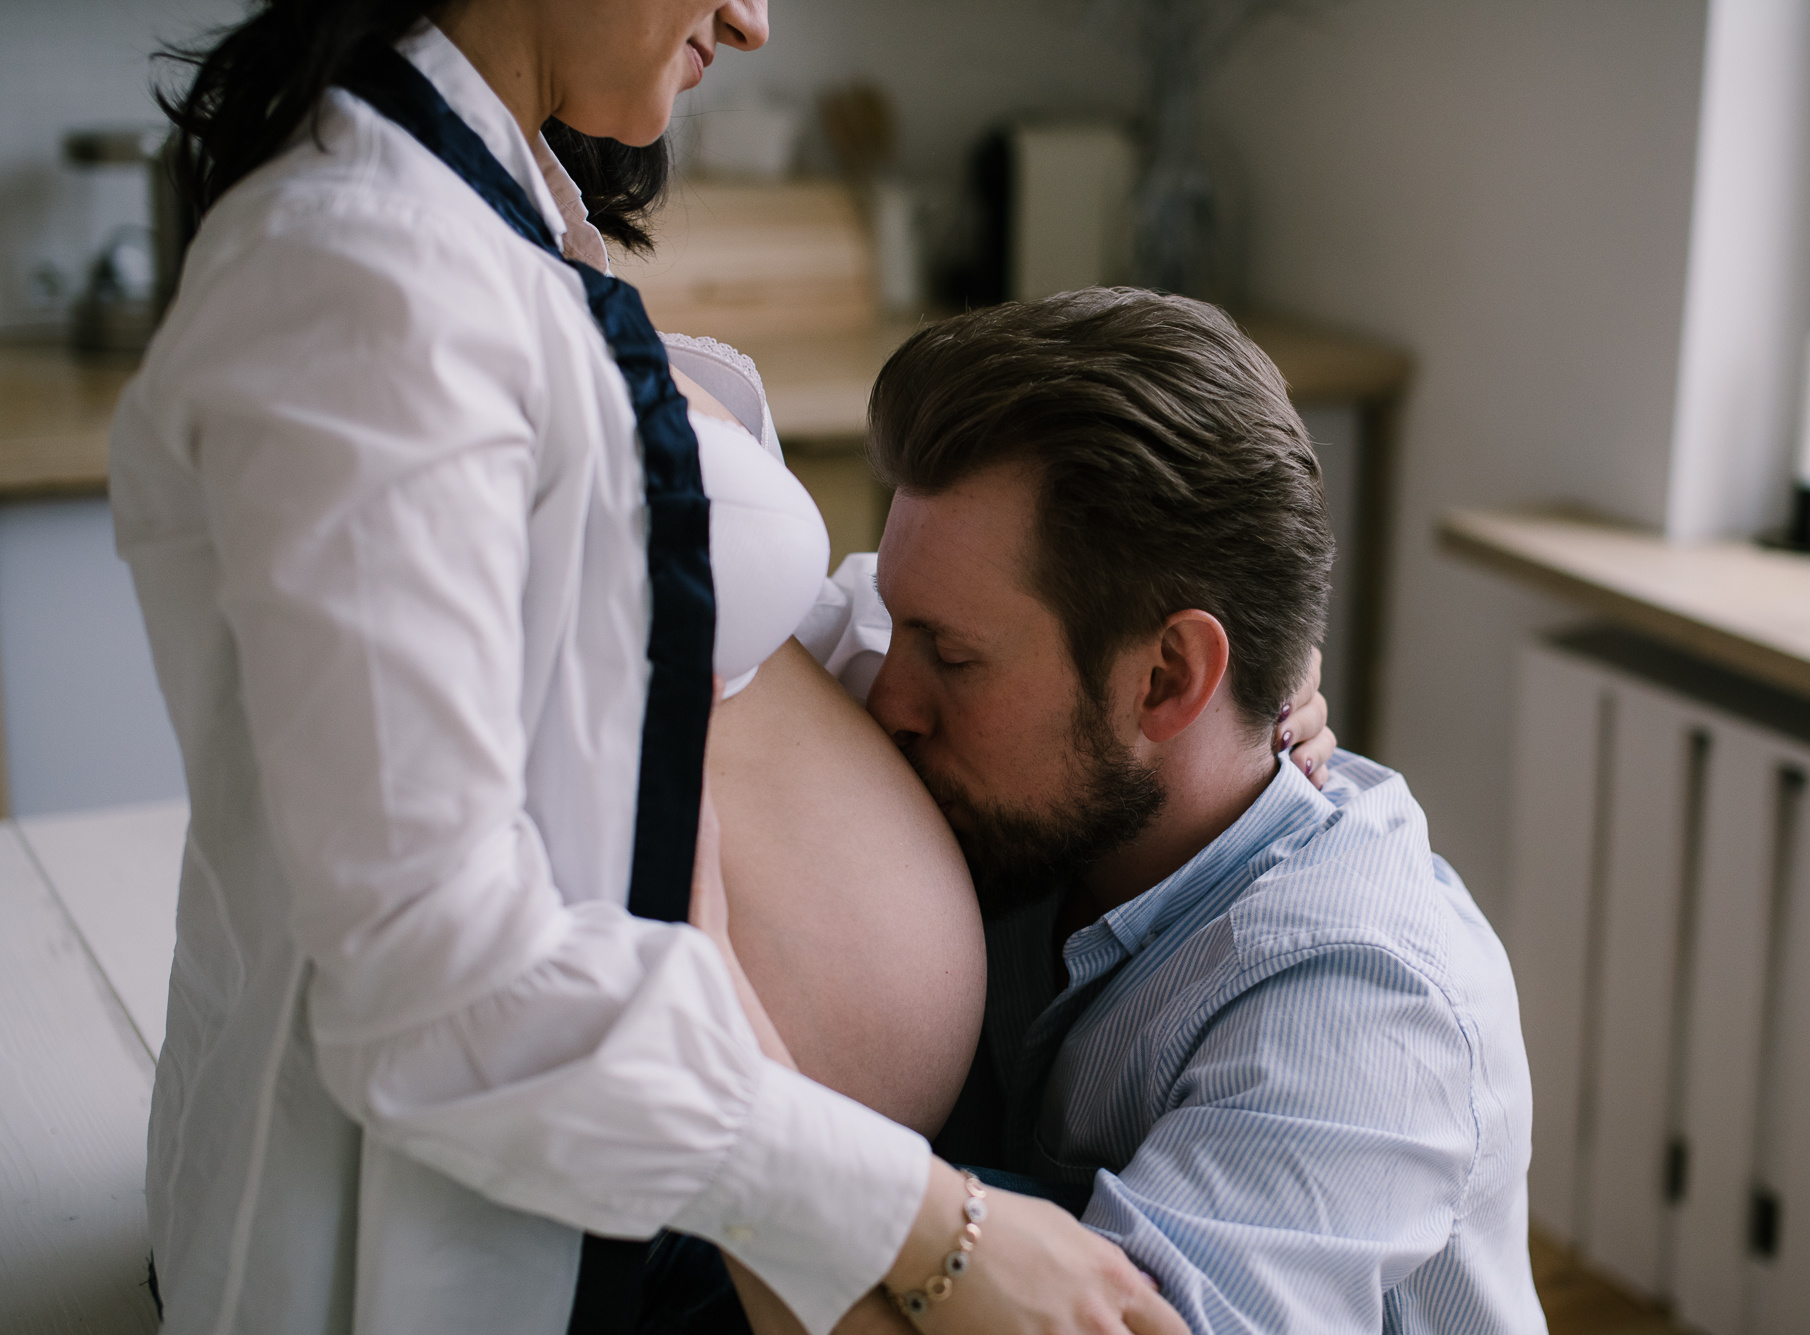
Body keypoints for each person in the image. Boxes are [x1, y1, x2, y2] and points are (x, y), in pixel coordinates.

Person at [119, 3, 1331, 1332]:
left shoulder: (495, 210)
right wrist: (930, 1222)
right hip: (484, 1249)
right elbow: (428, 965)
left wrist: (1185, 696)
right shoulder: (358, 277)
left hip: (666, 1203)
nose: (753, 19)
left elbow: (680, 635)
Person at [704, 290, 1547, 1334]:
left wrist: (727, 1091)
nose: (887, 698)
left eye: (952, 658)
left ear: (1166, 679)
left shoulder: (1363, 1016)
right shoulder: (1053, 766)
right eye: (902, 627)